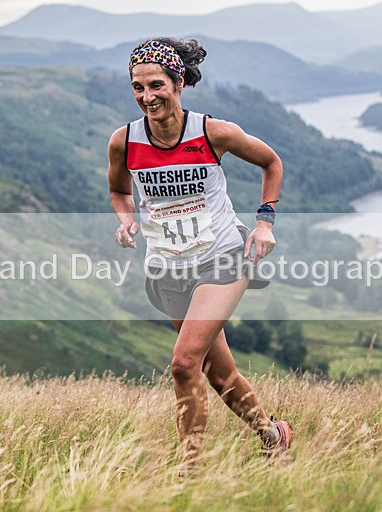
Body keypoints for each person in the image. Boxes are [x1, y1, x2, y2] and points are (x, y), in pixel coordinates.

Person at [107, 37, 291, 465]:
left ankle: (189, 473)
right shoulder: (124, 141)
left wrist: (265, 222)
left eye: (156, 85)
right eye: (138, 87)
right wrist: (126, 219)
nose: (147, 97)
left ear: (179, 82)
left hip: (222, 257)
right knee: (217, 371)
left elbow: (271, 163)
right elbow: (119, 190)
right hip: (168, 266)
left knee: (183, 363)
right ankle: (272, 434)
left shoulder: (212, 133)